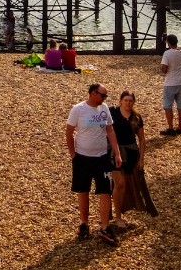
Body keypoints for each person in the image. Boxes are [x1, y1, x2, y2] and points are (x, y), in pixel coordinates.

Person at [66, 83, 123, 246]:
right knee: (82, 190)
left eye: (105, 96)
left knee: (105, 191)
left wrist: (117, 152)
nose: (105, 99)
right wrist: (73, 154)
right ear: (92, 93)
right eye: (102, 95)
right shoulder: (78, 109)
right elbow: (69, 132)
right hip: (82, 158)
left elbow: (110, 130)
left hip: (102, 157)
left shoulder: (104, 109)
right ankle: (84, 223)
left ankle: (105, 227)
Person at [109, 91, 147, 230]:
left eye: (131, 101)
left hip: (131, 153)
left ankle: (122, 209)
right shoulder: (112, 112)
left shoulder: (136, 118)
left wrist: (141, 159)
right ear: (121, 101)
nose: (128, 103)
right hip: (114, 153)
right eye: (126, 100)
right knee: (119, 184)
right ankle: (117, 216)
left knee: (128, 185)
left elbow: (142, 139)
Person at [160, 34, 181, 136]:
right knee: (180, 106)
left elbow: (164, 69)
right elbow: (180, 48)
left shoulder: (167, 54)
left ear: (168, 43)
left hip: (170, 82)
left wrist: (162, 66)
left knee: (168, 106)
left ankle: (170, 127)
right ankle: (180, 127)